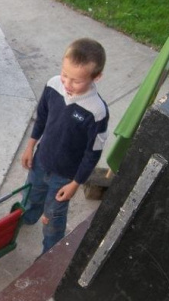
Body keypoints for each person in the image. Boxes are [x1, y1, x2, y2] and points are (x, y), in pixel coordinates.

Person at [21, 38, 109, 254]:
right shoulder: (53, 85)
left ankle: (49, 254)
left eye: (76, 81)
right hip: (40, 161)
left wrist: (76, 183)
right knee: (31, 197)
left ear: (96, 77)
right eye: (65, 74)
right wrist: (30, 145)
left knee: (53, 218)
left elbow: (92, 153)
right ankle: (26, 219)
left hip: (65, 177)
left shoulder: (97, 111)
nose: (68, 84)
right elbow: (41, 117)